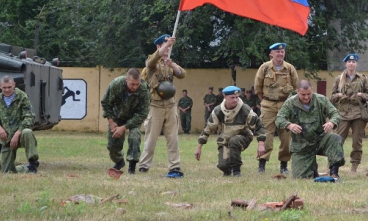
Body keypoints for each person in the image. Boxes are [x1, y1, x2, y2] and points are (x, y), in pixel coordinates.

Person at [138, 34, 186, 178]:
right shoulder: (151, 63)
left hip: (170, 105)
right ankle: (144, 166)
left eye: (169, 47)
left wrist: (172, 65)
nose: (167, 50)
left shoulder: (170, 63)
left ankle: (174, 167)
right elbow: (151, 61)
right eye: (165, 47)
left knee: (173, 138)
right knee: (151, 138)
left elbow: (182, 74)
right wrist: (166, 45)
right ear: (158, 46)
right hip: (156, 105)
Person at [275, 80, 345, 179]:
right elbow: (279, 119)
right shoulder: (290, 103)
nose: (306, 97)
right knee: (301, 178)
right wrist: (289, 125)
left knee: (335, 138)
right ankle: (313, 169)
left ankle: (334, 173)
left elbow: (335, 113)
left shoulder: (321, 100)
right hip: (301, 145)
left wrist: (331, 122)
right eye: (303, 94)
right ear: (297, 91)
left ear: (312, 90)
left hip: (320, 139)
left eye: (309, 94)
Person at [195, 86, 266, 177]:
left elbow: (259, 125)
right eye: (232, 97)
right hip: (225, 138)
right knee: (222, 165)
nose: (235, 100)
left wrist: (261, 144)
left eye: (237, 97)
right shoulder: (218, 110)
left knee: (234, 141)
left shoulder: (245, 109)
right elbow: (208, 128)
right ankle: (227, 170)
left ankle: (236, 171)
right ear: (225, 96)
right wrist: (199, 147)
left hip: (243, 136)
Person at [254, 42, 298, 174]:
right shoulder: (264, 68)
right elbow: (258, 88)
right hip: (268, 106)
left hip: (286, 106)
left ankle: (284, 165)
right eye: (277, 52)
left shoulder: (290, 69)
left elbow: (296, 88)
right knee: (266, 135)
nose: (280, 54)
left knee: (286, 137)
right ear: (271, 54)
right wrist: (266, 102)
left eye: (282, 52)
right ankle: (262, 164)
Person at [101, 68, 150, 174]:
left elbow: (143, 113)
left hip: (134, 118)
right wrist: (111, 122)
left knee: (134, 137)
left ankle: (132, 167)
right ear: (126, 80)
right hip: (116, 116)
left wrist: (123, 128)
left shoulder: (144, 89)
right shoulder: (116, 84)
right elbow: (105, 103)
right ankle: (119, 161)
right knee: (112, 146)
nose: (135, 87)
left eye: (137, 84)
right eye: (132, 84)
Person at [330, 53, 368, 173]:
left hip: (358, 113)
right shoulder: (339, 79)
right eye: (349, 62)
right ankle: (334, 163)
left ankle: (354, 165)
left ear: (356, 64)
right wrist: (338, 95)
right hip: (343, 113)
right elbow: (331, 97)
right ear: (346, 64)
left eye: (353, 62)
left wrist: (361, 95)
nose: (351, 64)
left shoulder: (362, 78)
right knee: (338, 139)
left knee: (356, 141)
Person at [0, 75, 40, 173]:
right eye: (4, 87)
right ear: (0, 86)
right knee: (8, 171)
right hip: (6, 138)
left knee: (27, 132)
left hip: (20, 135)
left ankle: (33, 162)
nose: (7, 90)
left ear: (14, 85)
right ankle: (26, 168)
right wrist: (0, 129)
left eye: (9, 87)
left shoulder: (22, 97)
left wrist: (18, 133)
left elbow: (29, 117)